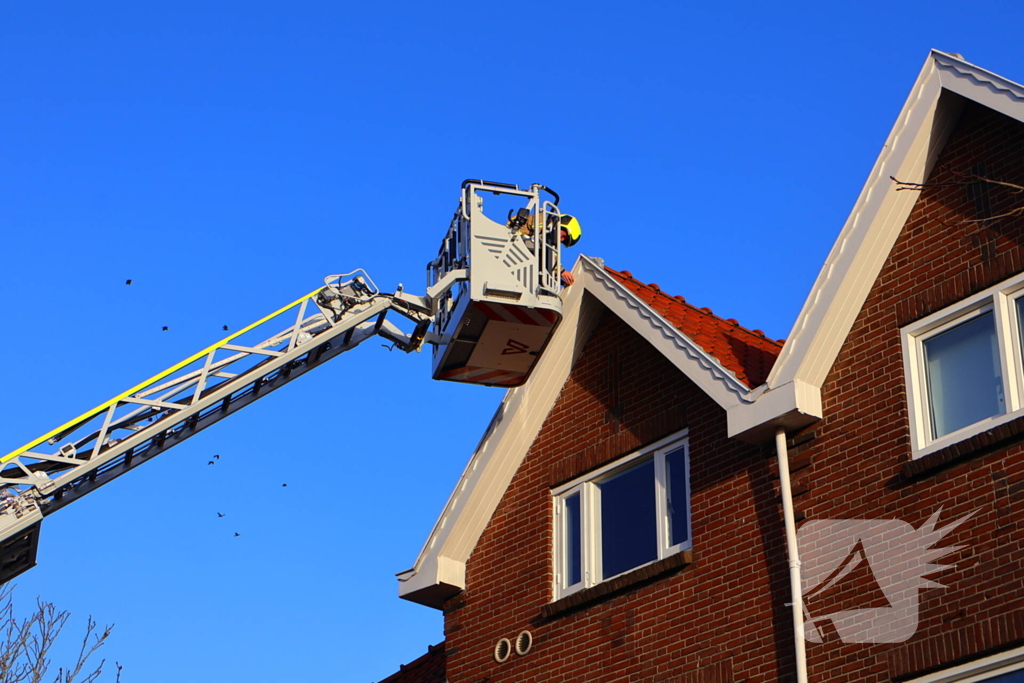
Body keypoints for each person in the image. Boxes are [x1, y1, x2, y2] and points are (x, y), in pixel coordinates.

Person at [509, 210, 582, 286]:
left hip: (522, 251)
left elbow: (552, 260)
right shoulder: (542, 219)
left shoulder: (551, 241)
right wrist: (561, 271)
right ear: (561, 225)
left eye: (564, 240)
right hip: (514, 242)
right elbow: (542, 240)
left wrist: (561, 281)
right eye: (564, 236)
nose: (561, 239)